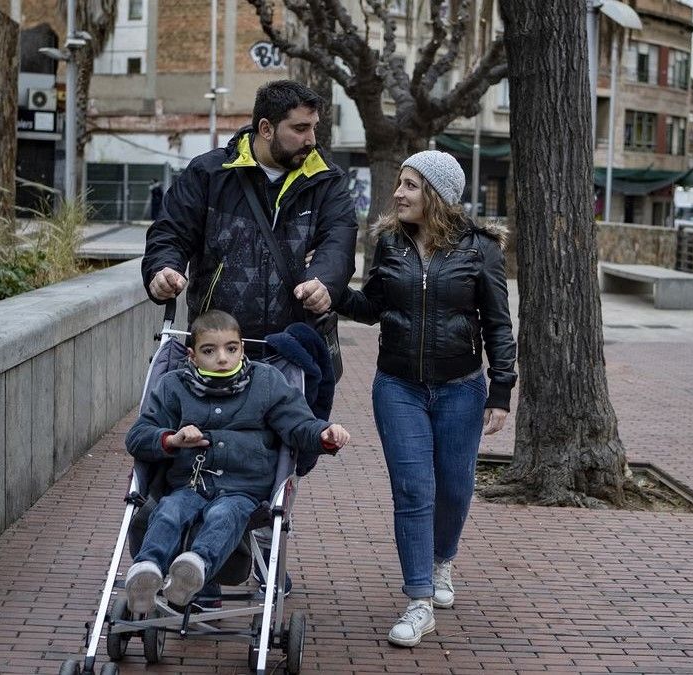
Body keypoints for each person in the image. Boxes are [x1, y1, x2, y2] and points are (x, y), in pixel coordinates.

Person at [338, 150, 517, 647]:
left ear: (436, 195)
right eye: (399, 183)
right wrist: (330, 292)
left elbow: (498, 323)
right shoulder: (390, 243)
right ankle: (418, 602)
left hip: (461, 387)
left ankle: (443, 563)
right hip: (397, 387)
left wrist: (500, 388)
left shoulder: (480, 249)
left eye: (411, 185)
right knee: (414, 490)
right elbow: (372, 307)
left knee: (456, 488)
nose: (398, 193)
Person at [122, 310, 350, 613]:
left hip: (243, 488)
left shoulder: (266, 381)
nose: (222, 358)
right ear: (191, 356)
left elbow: (297, 425)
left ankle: (194, 568)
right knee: (168, 512)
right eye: (209, 350)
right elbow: (138, 435)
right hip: (188, 483)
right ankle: (147, 569)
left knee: (224, 516)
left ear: (242, 348)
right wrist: (171, 439)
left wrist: (324, 433)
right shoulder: (173, 386)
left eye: (231, 348)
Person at [141, 79, 357, 357]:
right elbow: (171, 232)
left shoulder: (327, 180)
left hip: (295, 348)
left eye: (313, 127)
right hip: (218, 349)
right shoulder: (208, 174)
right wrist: (164, 269)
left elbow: (339, 241)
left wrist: (323, 281)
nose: (311, 140)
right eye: (300, 128)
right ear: (266, 128)